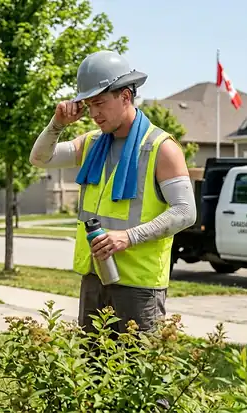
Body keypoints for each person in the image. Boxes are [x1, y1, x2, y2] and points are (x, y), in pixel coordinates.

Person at [29, 50, 197, 334]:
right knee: (92, 372)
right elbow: (39, 159)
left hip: (139, 285)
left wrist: (128, 237)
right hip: (95, 276)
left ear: (126, 97)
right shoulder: (92, 143)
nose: (94, 114)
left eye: (100, 103)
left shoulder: (161, 148)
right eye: (88, 105)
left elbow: (185, 212)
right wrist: (57, 124)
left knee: (135, 372)